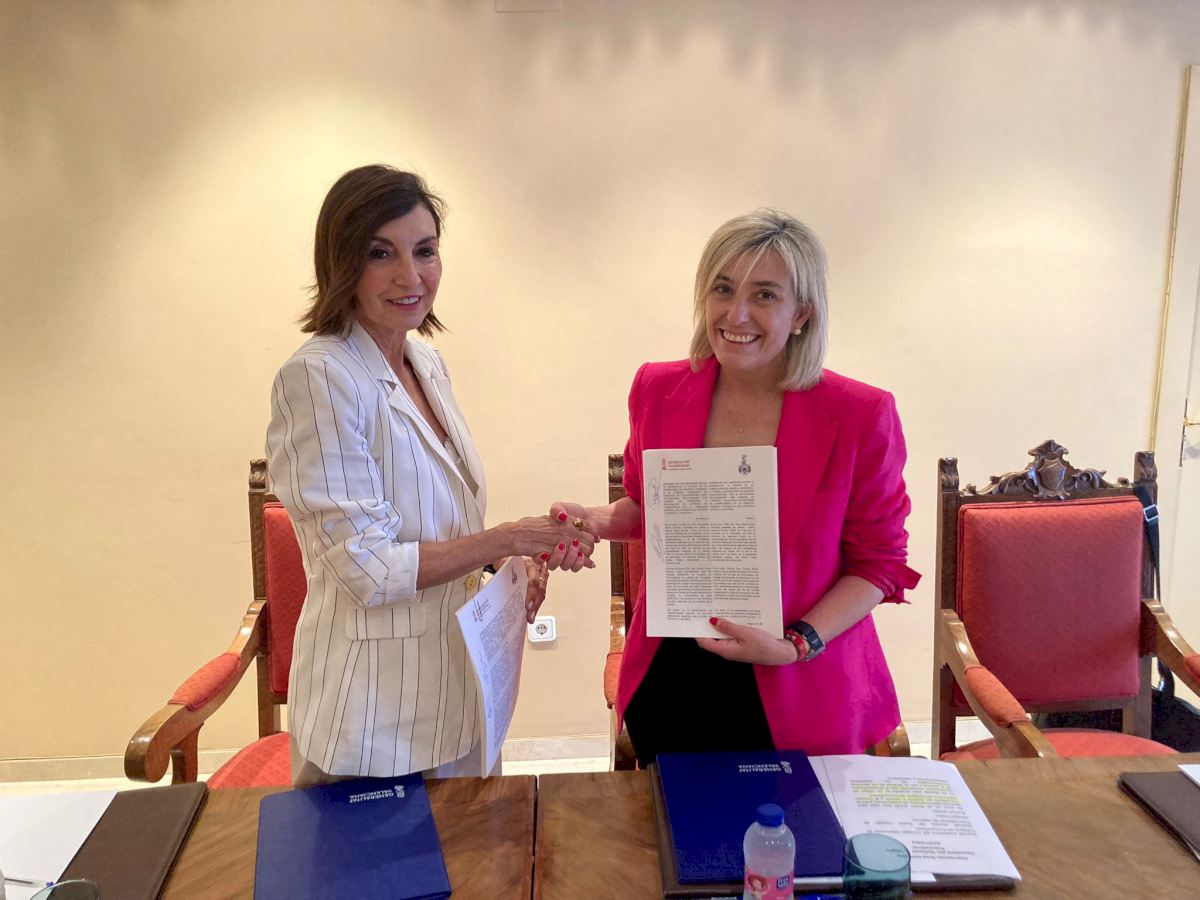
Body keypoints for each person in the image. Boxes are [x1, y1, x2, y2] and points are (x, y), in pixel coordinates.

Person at [550, 211, 919, 765]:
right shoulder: (657, 387)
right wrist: (592, 520)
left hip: (798, 679)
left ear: (802, 314)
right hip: (674, 673)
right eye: (723, 289)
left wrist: (796, 645)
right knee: (668, 820)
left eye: (764, 295)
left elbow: (879, 564)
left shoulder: (861, 413)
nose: (736, 314)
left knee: (796, 822)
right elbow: (647, 507)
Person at [266, 165, 594, 784]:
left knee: (478, 847)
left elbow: (445, 522)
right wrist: (508, 538)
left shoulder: (426, 361)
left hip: (461, 691)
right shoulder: (318, 377)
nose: (410, 276)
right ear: (341, 263)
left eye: (425, 251)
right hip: (373, 716)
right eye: (380, 253)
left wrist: (508, 566)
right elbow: (368, 568)